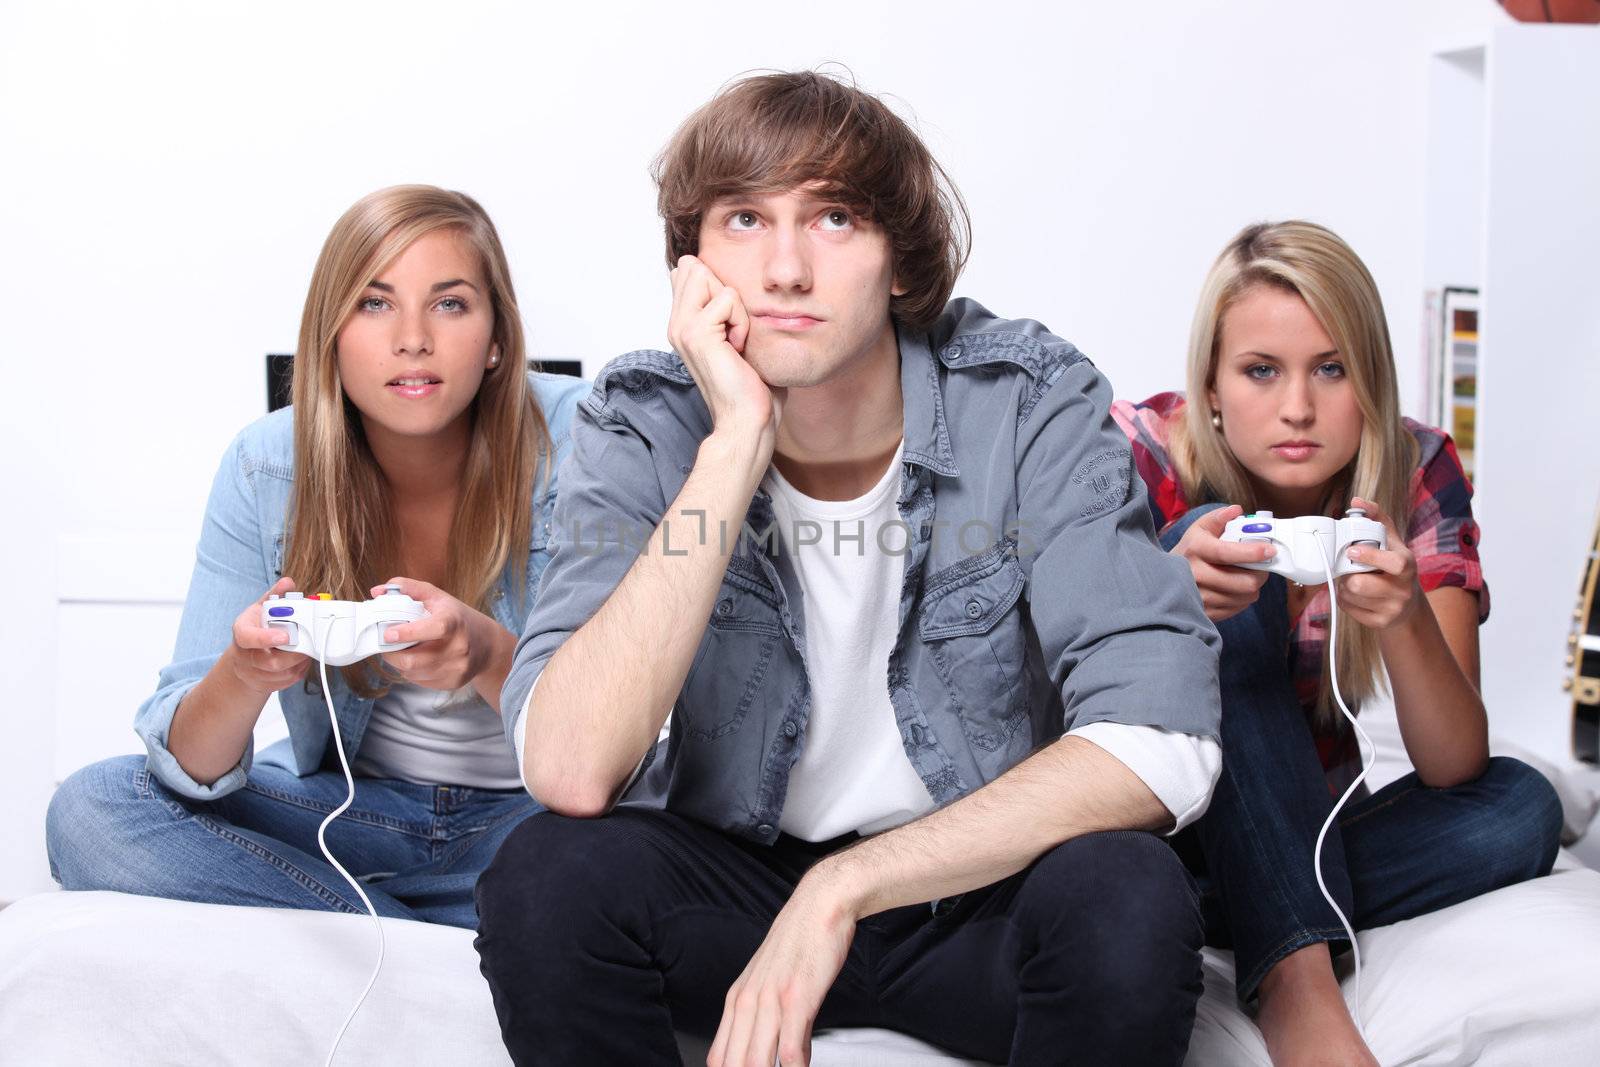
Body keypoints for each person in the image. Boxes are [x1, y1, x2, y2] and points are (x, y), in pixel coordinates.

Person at [473, 72, 1225, 1066]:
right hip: (732, 883)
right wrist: (736, 438)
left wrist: (844, 886)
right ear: (693, 264)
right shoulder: (642, 418)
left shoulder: (1027, 397)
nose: (784, 269)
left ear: (900, 260)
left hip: (972, 890)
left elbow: (1162, 738)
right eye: (744, 219)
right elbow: (567, 765)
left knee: (1130, 893)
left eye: (832, 217)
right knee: (543, 876)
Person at [46, 185, 589, 929]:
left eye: (451, 303)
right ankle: (424, 934)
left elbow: (620, 739)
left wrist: (488, 654)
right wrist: (243, 674)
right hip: (354, 812)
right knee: (93, 809)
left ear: (497, 336)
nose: (412, 338)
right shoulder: (267, 463)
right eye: (374, 303)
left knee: (650, 863)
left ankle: (342, 924)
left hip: (539, 822)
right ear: (329, 334)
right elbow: (193, 764)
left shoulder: (589, 440)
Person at [1112, 220, 1564, 1066]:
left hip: (1302, 828)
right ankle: (1296, 984)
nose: (1297, 408)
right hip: (1161, 824)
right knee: (1215, 540)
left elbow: (1454, 763)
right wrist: (1170, 590)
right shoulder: (1137, 451)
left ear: (1373, 381)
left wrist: (1404, 619)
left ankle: (1249, 906)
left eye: (1332, 369)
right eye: (1260, 371)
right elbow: (1043, 689)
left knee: (1521, 808)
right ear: (1209, 385)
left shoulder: (1412, 466)